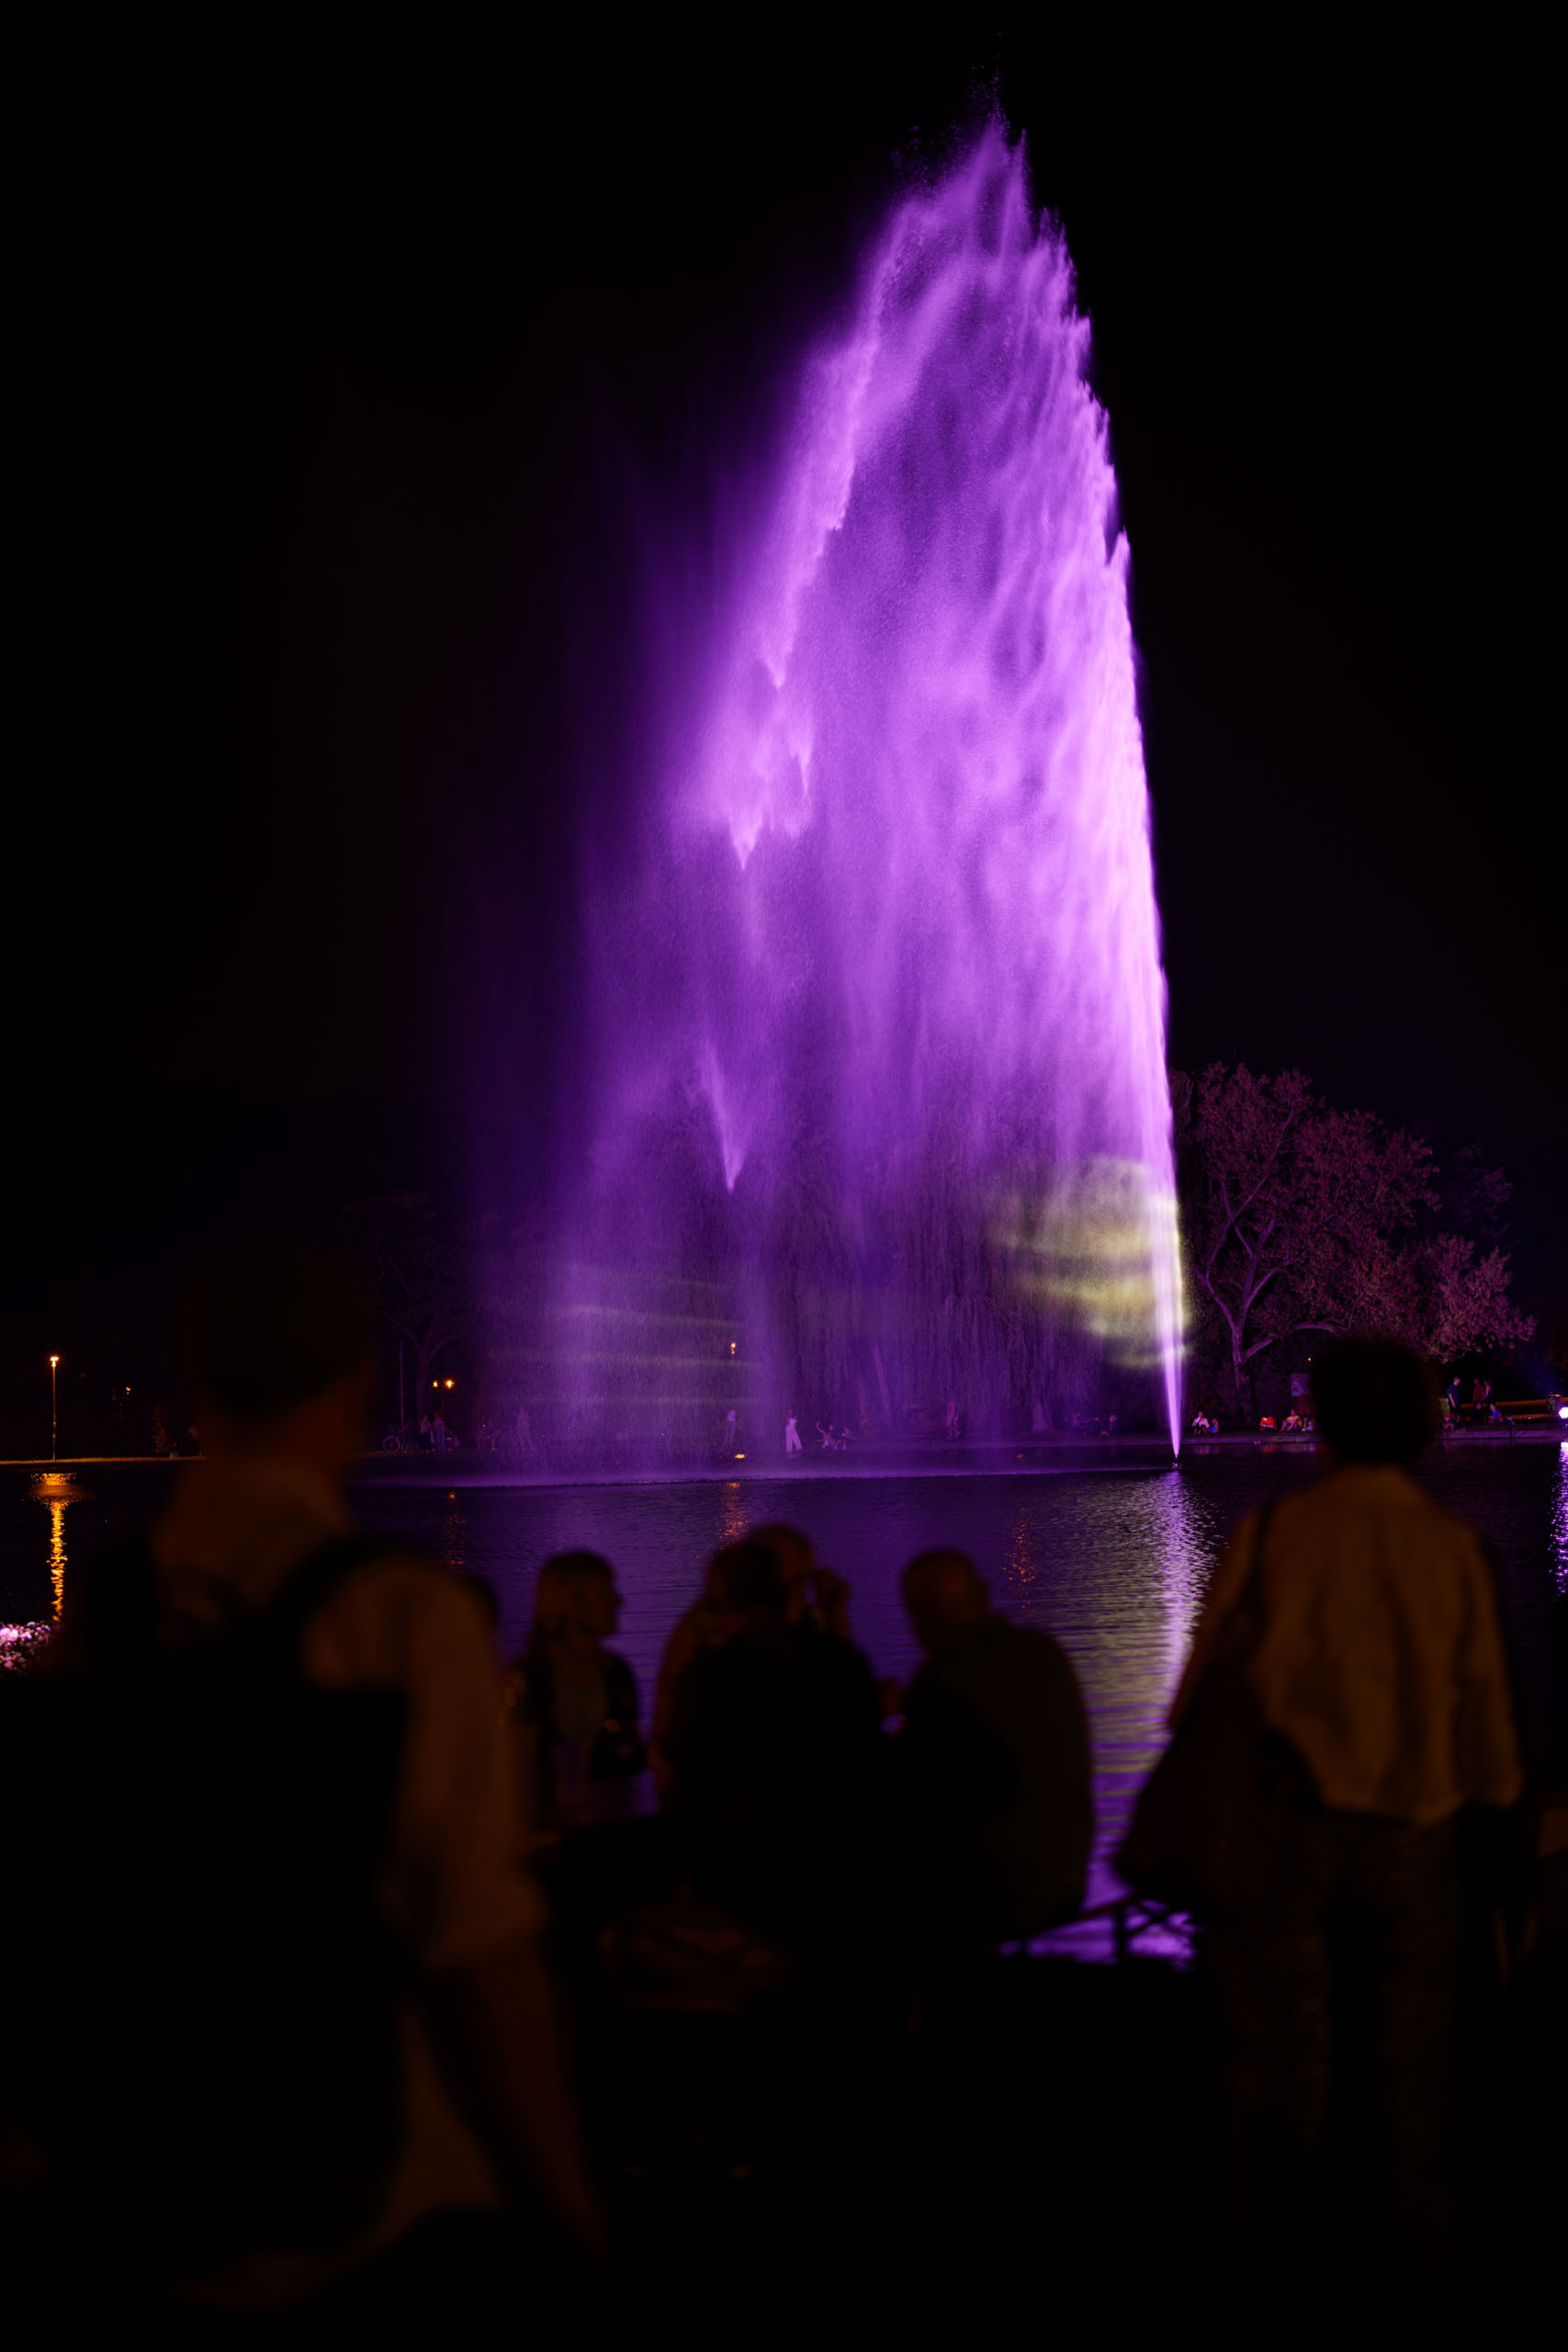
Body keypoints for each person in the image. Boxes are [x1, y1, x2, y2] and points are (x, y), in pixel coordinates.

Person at [15, 1245, 602, 2325]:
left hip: (144, 2191)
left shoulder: (97, 1624)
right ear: (356, 1387)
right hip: (369, 2209)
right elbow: (484, 1960)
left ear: (199, 1394)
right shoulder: (403, 1617)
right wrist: (572, 2220)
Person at [1175, 1336, 1523, 2340]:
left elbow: (1193, 1704)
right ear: (1423, 1426)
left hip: (1292, 1845)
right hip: (1415, 1846)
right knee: (1412, 2076)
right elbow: (1490, 1738)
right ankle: (1417, 2289)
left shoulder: (1270, 1538)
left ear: (1320, 1424)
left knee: (1284, 2076)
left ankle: (1280, 2288)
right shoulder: (1451, 1549)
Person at [660, 1537, 886, 1957]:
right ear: (783, 1594)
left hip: (742, 1885)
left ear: (722, 1603)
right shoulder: (840, 1663)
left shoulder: (712, 1674)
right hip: (839, 1877)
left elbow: (678, 1762)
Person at [896, 1551, 1091, 1953]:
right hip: (1068, 1875)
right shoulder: (1043, 1651)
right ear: (984, 1594)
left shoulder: (941, 1680)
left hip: (999, 1892)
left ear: (917, 1616)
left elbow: (913, 1795)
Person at [512, 1552, 645, 1826]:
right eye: (605, 1592)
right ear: (573, 1604)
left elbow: (630, 1753)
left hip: (612, 1827)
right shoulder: (526, 1680)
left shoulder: (616, 1673)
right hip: (546, 1831)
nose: (619, 1601)